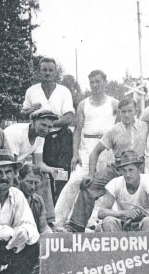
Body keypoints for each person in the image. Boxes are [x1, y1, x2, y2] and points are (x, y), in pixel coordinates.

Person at [64, 98, 146, 232]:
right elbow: (95, 152)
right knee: (88, 186)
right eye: (123, 111)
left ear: (135, 111)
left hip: (138, 168)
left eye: (129, 111)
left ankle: (146, 226)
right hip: (118, 168)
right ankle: (76, 226)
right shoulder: (114, 130)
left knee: (148, 189)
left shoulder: (144, 126)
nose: (126, 115)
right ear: (119, 113)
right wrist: (91, 173)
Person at [54, 69, 119, 225]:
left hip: (107, 149)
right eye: (92, 82)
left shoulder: (114, 103)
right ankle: (57, 221)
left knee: (111, 186)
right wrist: (75, 154)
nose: (95, 85)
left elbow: (119, 131)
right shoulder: (83, 104)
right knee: (75, 181)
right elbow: (77, 131)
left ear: (105, 82)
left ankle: (112, 223)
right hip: (87, 148)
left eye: (98, 81)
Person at [21, 57, 75, 208]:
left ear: (55, 72)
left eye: (51, 70)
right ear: (39, 72)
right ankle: (43, 211)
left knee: (61, 175)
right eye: (44, 70)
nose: (47, 73)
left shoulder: (64, 91)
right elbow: (24, 112)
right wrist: (30, 112)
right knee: (41, 174)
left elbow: (69, 117)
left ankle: (60, 212)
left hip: (60, 138)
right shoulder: (31, 91)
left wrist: (47, 124)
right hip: (39, 138)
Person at [4, 109, 63, 226]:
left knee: (43, 175)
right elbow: (10, 164)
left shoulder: (41, 136)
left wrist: (52, 170)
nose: (46, 130)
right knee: (28, 180)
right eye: (43, 125)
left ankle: (47, 221)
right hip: (6, 167)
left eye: (49, 127)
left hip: (17, 167)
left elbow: (38, 163)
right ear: (33, 121)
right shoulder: (17, 133)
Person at [98, 150, 149, 232]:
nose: (127, 174)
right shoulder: (115, 183)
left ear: (139, 169)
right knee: (108, 221)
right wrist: (124, 213)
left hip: (142, 223)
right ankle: (118, 245)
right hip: (124, 224)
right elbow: (101, 212)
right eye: (124, 170)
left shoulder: (148, 181)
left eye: (131, 170)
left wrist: (136, 214)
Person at [18, 164, 52, 235]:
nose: (33, 187)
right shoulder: (12, 198)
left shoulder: (38, 200)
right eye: (29, 182)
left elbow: (43, 227)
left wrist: (50, 235)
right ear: (19, 179)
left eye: (36, 183)